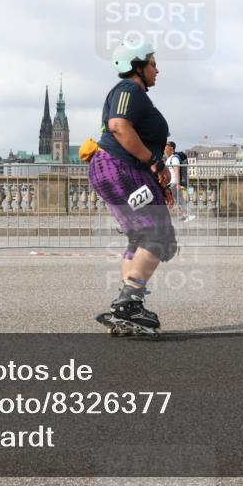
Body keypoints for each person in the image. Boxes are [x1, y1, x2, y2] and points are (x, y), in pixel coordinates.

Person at [88, 39, 176, 333]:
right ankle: (129, 305)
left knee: (141, 237)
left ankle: (126, 305)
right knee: (158, 236)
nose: (157, 70)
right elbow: (119, 126)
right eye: (152, 63)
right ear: (136, 66)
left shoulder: (134, 92)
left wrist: (156, 177)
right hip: (119, 168)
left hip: (119, 169)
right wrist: (156, 161)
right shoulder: (129, 90)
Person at [164, 141, 195, 222]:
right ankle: (185, 215)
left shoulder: (174, 159)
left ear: (172, 149)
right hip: (171, 182)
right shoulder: (169, 159)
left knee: (179, 199)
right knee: (179, 199)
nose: (165, 150)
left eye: (167, 148)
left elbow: (177, 171)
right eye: (164, 148)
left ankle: (189, 215)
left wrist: (178, 184)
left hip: (174, 182)